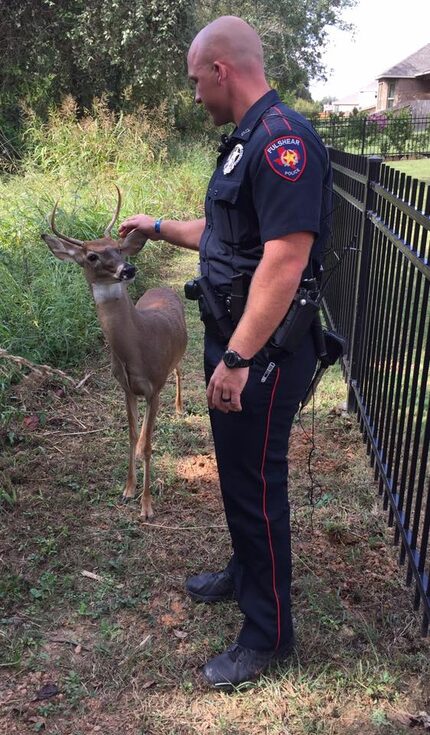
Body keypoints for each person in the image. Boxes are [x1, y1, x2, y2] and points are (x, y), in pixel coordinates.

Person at [119, 15, 332, 691]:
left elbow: (285, 258)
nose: (195, 96)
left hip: (262, 351)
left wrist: (237, 360)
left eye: (194, 82)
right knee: (238, 481)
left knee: (256, 487)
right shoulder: (246, 142)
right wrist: (154, 225)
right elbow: (223, 229)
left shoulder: (282, 143)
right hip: (236, 340)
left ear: (221, 70)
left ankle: (268, 635)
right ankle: (245, 572)